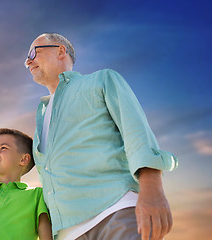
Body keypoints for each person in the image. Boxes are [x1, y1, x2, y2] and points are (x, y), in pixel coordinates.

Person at [24, 32, 178, 240]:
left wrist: (152, 188)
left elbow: (135, 130)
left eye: (34, 52)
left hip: (115, 214)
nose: (28, 61)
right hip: (67, 233)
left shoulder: (101, 80)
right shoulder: (40, 116)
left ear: (61, 51)